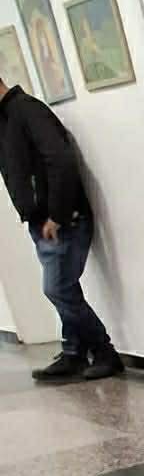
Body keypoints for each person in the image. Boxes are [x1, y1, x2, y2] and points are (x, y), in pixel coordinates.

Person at [0, 75, 122, 381]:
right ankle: (73, 352)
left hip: (62, 220)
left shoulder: (27, 110)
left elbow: (60, 160)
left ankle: (104, 351)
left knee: (57, 288)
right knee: (63, 288)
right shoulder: (6, 119)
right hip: (41, 221)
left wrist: (58, 214)